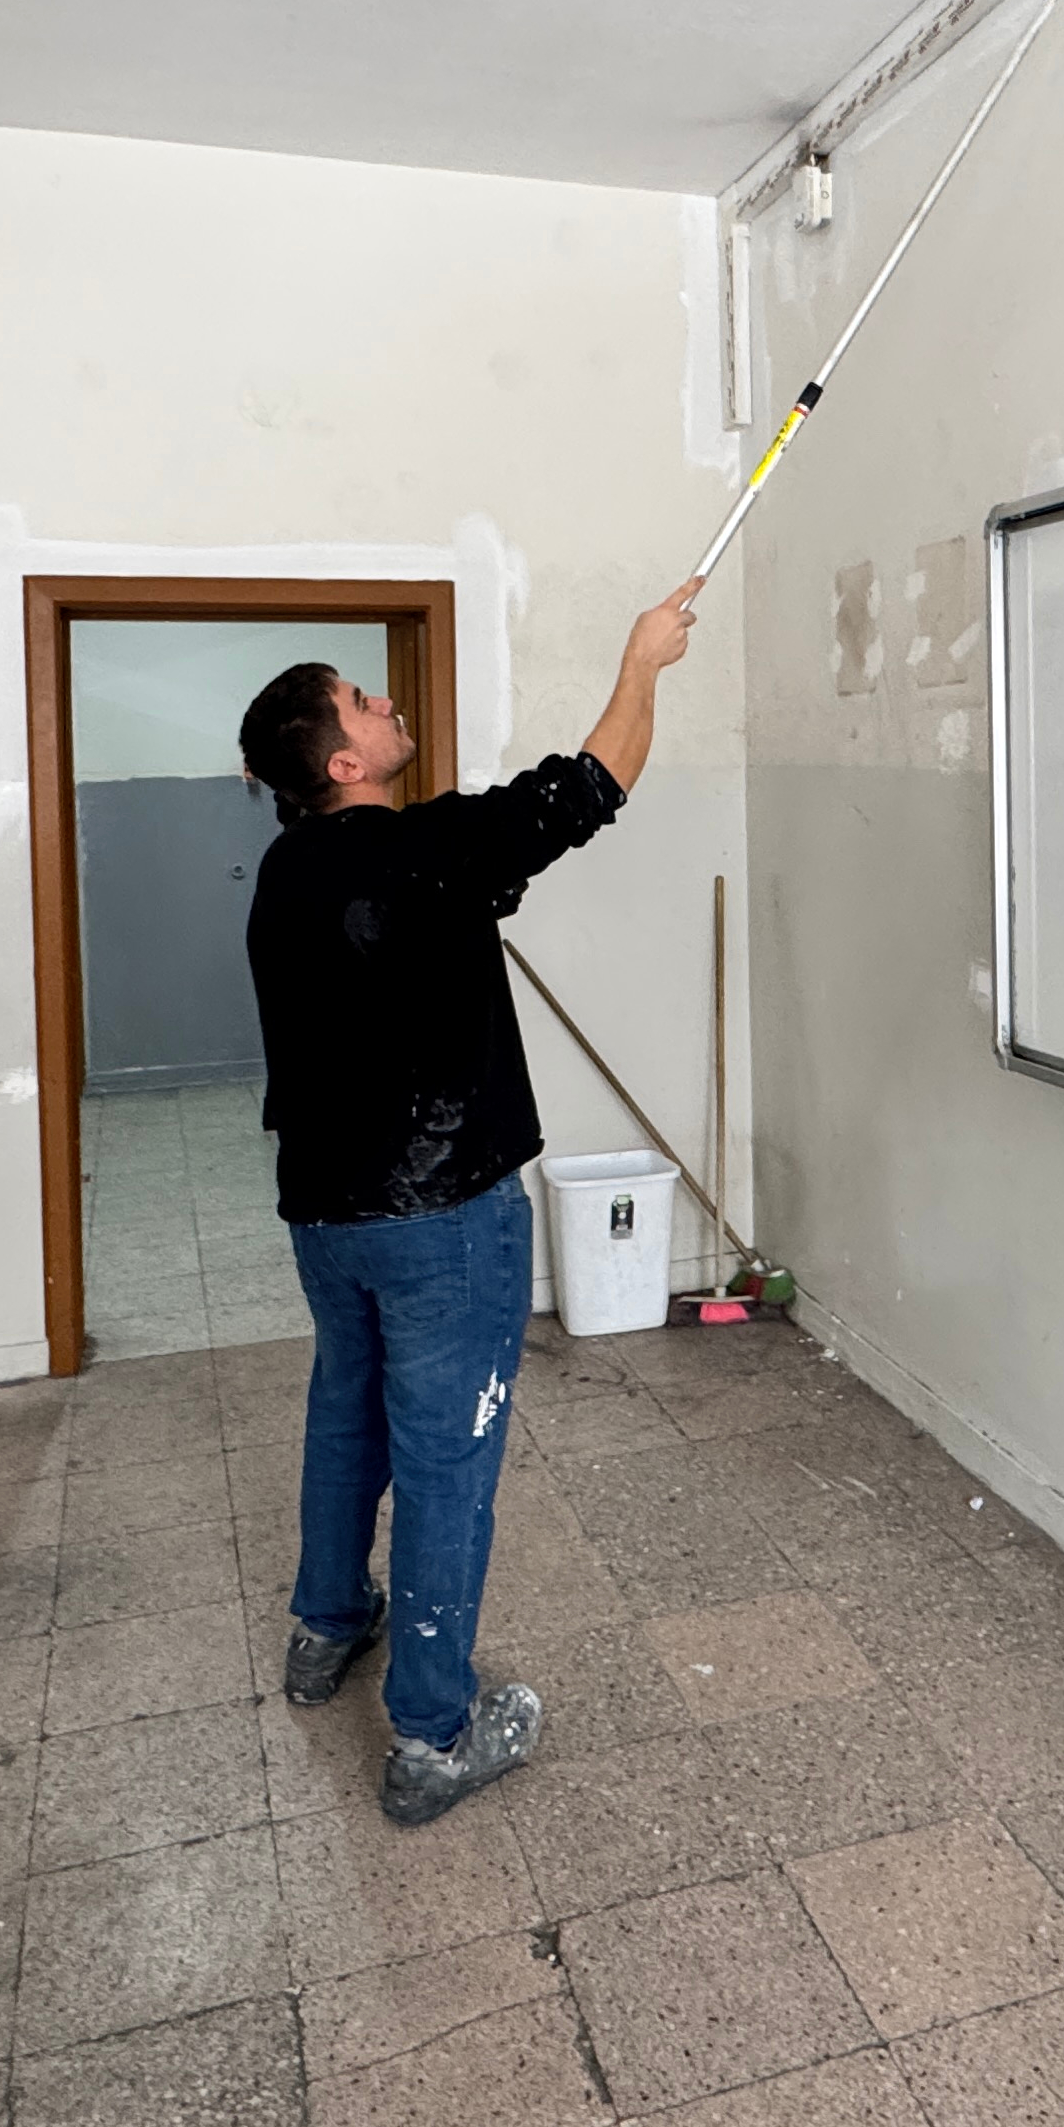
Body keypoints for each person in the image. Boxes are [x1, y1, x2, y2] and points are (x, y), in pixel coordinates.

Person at [236, 581, 701, 1824]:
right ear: (344, 762)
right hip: (438, 1216)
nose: (387, 703)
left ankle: (328, 1626)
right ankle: (433, 1733)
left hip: (326, 1215)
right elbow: (592, 784)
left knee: (348, 1416)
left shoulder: (286, 869)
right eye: (363, 701)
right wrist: (642, 664)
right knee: (446, 1460)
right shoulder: (417, 850)